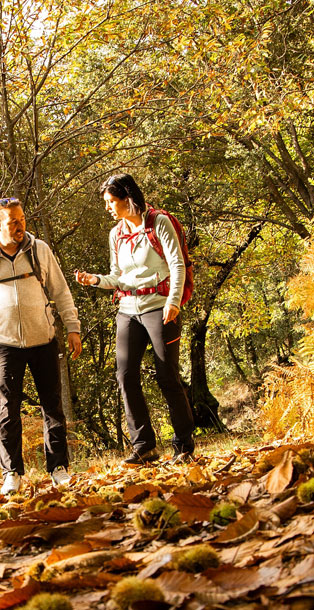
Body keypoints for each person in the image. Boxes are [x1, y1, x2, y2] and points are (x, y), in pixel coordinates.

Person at [75, 174, 196, 466]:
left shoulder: (159, 223)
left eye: (110, 201)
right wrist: (95, 280)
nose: (107, 208)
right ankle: (143, 446)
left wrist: (173, 302)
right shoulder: (116, 234)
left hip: (160, 306)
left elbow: (177, 263)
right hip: (128, 308)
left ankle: (183, 445)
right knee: (125, 375)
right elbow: (117, 277)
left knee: (167, 375)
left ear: (127, 198)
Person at [0, 196, 83, 495]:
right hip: (4, 344)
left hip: (43, 339)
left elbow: (61, 290)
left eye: (22, 220)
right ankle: (12, 474)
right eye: (12, 222)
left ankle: (59, 469)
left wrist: (73, 328)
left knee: (52, 406)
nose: (20, 226)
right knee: (7, 410)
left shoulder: (39, 250)